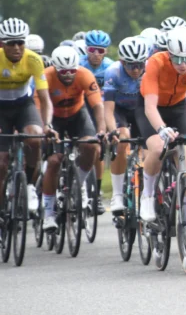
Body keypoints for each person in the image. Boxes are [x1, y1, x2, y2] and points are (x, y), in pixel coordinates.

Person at [136, 26, 186, 246]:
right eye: (177, 58)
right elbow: (149, 106)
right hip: (150, 108)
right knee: (159, 148)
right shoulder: (156, 62)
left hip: (178, 107)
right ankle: (148, 195)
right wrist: (160, 128)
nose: (183, 64)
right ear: (168, 54)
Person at [42, 47, 105, 230]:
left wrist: (101, 130)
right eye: (64, 71)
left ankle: (79, 180)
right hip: (53, 118)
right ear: (55, 68)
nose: (69, 75)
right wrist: (46, 127)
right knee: (54, 161)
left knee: (91, 146)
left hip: (78, 115)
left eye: (72, 70)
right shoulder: (46, 76)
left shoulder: (84, 74)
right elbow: (40, 105)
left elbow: (98, 106)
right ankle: (48, 213)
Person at [0, 18, 54, 219]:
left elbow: (45, 99)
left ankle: (30, 186)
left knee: (35, 137)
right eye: (11, 43)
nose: (16, 48)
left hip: (24, 105)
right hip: (1, 109)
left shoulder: (33, 59)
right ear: (2, 44)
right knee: (1, 163)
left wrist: (47, 124)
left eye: (20, 43)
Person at [103, 37, 148, 212]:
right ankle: (117, 195)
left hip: (140, 109)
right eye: (130, 65)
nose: (136, 70)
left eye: (139, 65)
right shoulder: (112, 72)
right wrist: (112, 130)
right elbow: (108, 110)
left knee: (148, 147)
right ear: (122, 62)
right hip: (119, 110)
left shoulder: (150, 70)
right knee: (123, 139)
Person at [80, 30, 114, 215]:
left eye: (101, 50)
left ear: (106, 52)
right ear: (86, 49)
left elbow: (110, 98)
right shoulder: (78, 64)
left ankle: (97, 194)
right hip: (79, 107)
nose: (96, 54)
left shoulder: (109, 67)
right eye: (92, 49)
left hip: (99, 108)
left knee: (99, 150)